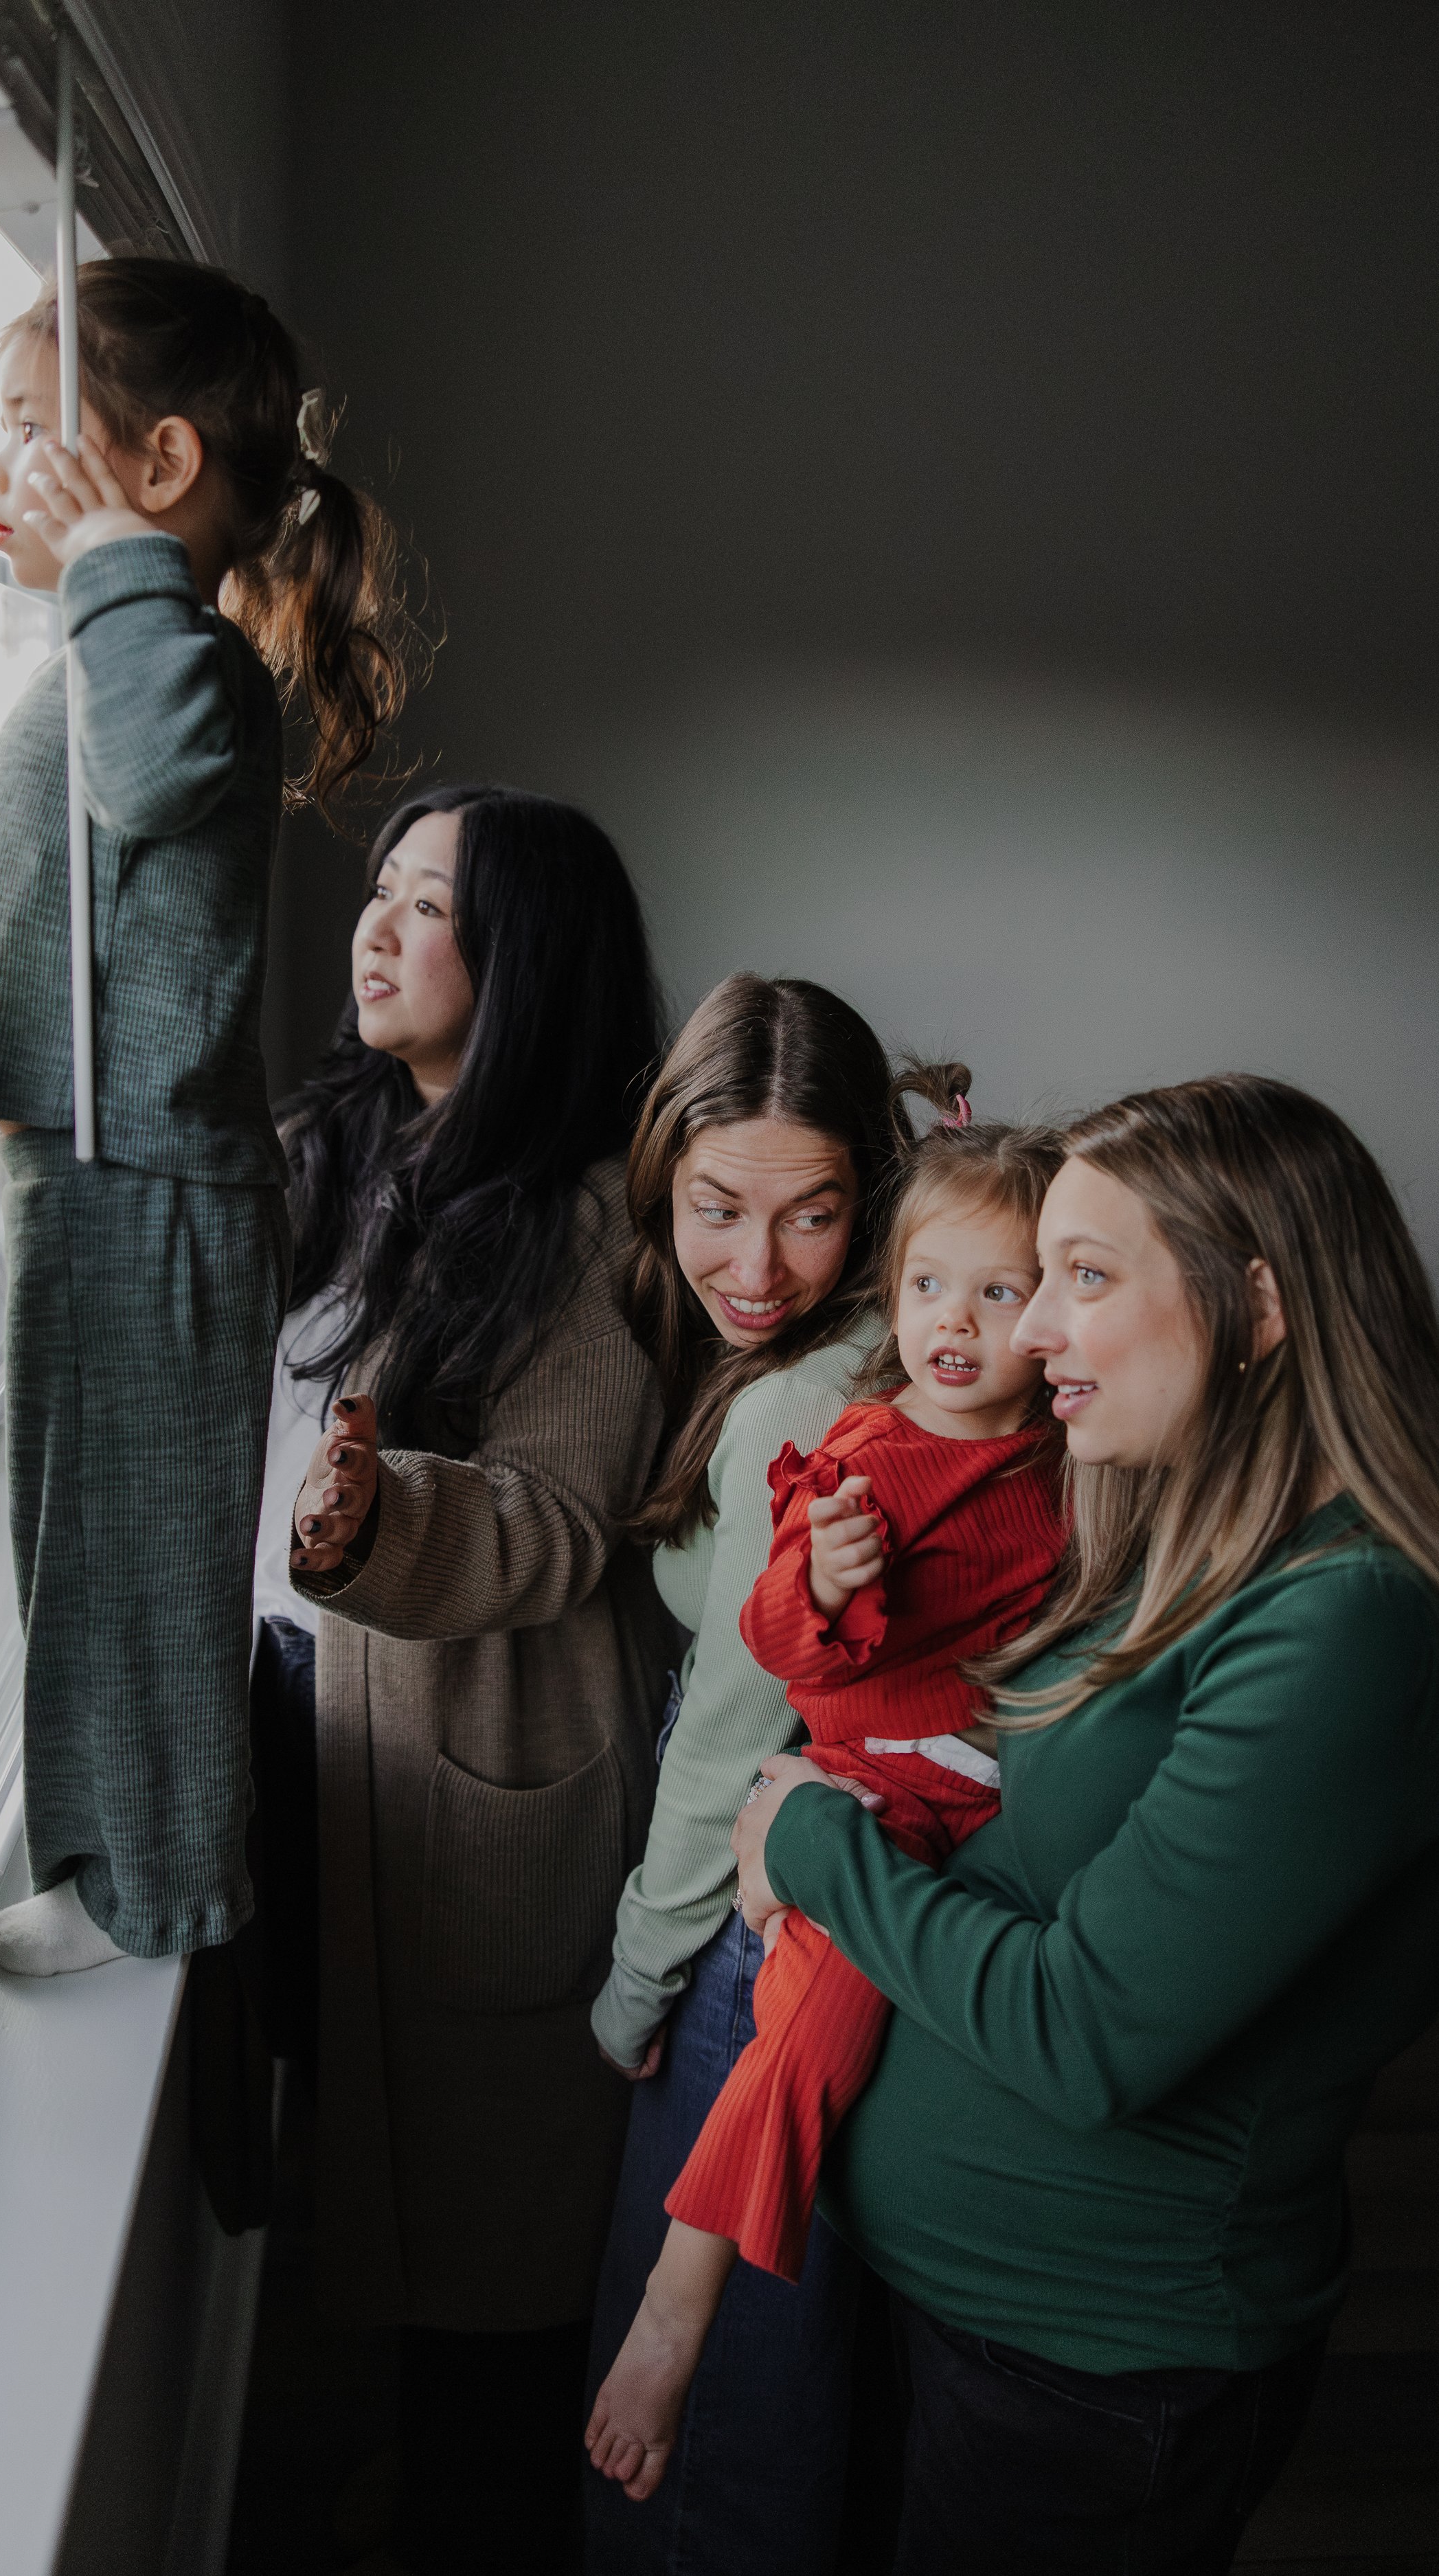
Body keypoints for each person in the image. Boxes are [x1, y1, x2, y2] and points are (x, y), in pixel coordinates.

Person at [733, 1073, 1439, 2575]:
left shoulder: (1350, 1620)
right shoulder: (1175, 1534)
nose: (1030, 1331)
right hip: (952, 2299)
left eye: (1082, 1277)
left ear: (1257, 1308)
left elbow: (1091, 2031)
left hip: (1092, 2363)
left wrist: (805, 1839)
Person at [0, 259, 412, 1974]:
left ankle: (163, 1893)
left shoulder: (185, 665)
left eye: (23, 432)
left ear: (151, 471)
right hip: (98, 1173)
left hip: (151, 1189)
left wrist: (107, 572)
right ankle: (100, 1854)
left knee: (141, 1570)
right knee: (77, 1549)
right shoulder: (120, 646)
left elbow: (145, 775)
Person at [259, 784, 670, 2574]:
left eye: (424, 905)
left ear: (521, 965)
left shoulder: (582, 1225)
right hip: (325, 1722)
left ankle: (486, 2518)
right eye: (379, 889)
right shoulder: (346, 1139)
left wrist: (376, 1509)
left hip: (485, 1766)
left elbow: (557, 1520)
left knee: (495, 2219)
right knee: (390, 2177)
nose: (373, 926)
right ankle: (444, 2490)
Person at [588, 1099, 1068, 2502]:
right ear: (891, 1291)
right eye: (929, 1288)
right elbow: (778, 1646)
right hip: (884, 1790)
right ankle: (679, 2301)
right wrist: (827, 1578)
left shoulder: (1056, 1448)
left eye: (998, 1292)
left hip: (996, 1787)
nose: (956, 1323)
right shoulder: (856, 1449)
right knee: (807, 2026)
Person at [580, 975, 911, 2576]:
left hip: (744, 1924)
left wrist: (640, 1971)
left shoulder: (798, 1396)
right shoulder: (877, 1341)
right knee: (773, 2376)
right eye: (716, 1210)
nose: (755, 1268)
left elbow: (730, 1721)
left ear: (876, 1193)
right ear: (663, 1180)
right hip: (835, 1911)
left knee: (697, 2422)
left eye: (812, 1214)